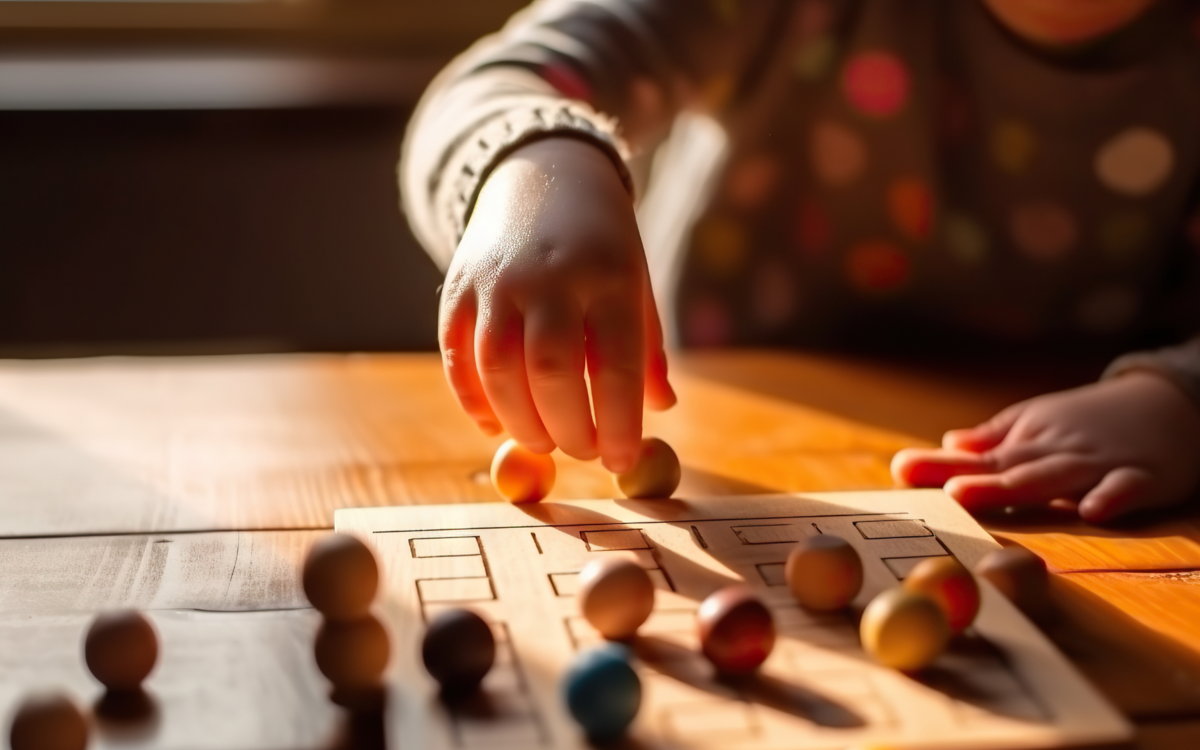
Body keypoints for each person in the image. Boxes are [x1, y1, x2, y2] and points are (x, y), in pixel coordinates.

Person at [400, 0, 1200, 522]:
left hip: (1067, 505)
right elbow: (505, 78)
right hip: (736, 459)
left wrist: (1183, 397)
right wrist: (536, 160)